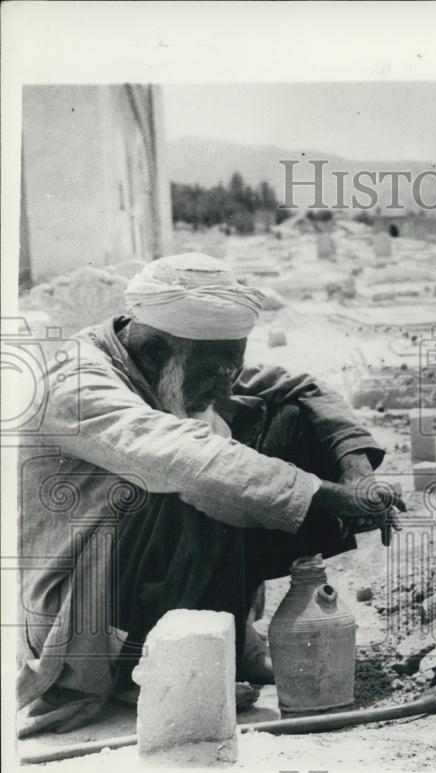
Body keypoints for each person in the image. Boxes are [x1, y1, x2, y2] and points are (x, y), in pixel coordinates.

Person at [16, 253, 404, 737]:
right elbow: (185, 458)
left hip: (139, 571)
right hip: (82, 613)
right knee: (192, 479)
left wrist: (357, 473)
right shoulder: (76, 381)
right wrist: (325, 497)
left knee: (288, 419)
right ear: (159, 353)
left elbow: (306, 388)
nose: (227, 382)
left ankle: (226, 639)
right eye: (216, 371)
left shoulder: (171, 356)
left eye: (232, 367)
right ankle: (150, 666)